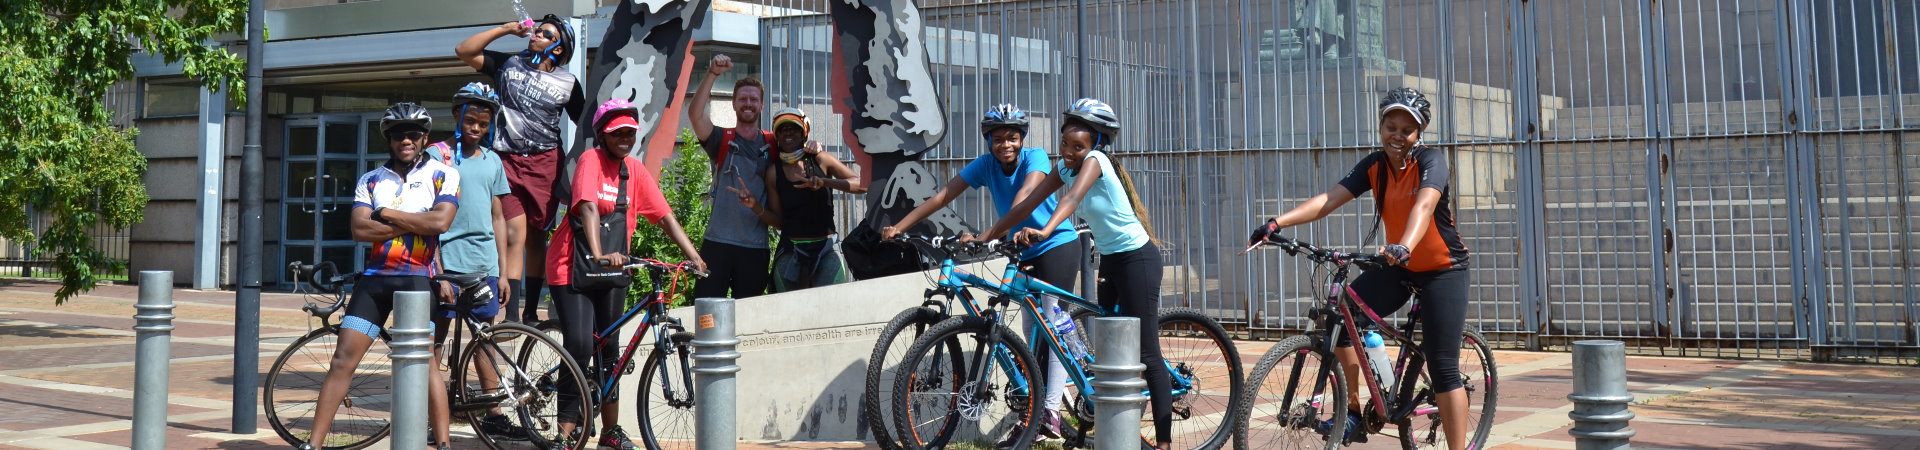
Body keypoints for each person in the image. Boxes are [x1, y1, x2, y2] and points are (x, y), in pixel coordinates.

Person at [1247, 87, 1472, 449]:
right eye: (1391, 127)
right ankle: (1352, 412)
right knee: (1342, 316)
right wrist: (1277, 223)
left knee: (1443, 367)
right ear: (1381, 126)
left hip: (1443, 269)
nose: (1397, 135)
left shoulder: (1431, 161)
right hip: (1399, 265)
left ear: (1420, 133)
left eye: (1407, 130)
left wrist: (1404, 245)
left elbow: (1424, 206)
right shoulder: (1374, 166)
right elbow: (1329, 199)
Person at [881, 104, 1086, 443]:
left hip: (1055, 245)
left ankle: (1049, 413)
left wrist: (987, 235)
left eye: (1012, 138)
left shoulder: (1035, 157)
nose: (1006, 145)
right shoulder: (986, 165)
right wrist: (900, 226)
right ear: (988, 141)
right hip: (1021, 248)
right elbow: (943, 195)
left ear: (1022, 139)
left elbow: (1025, 198)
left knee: (1051, 322)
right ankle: (1036, 407)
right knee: (1030, 329)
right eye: (998, 139)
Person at [976, 98, 1171, 449]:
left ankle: (1166, 442)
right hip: (1110, 261)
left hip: (1137, 260)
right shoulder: (1065, 168)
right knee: (1111, 351)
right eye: (1064, 143)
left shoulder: (1096, 161)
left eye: (1077, 146)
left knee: (1145, 352)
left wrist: (1046, 230)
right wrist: (987, 235)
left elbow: (1071, 200)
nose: (1068, 152)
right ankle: (1116, 430)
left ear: (1095, 145)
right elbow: (1027, 203)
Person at [547, 99, 709, 449]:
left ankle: (610, 432)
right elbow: (588, 208)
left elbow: (665, 217)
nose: (625, 139)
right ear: (602, 136)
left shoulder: (634, 170)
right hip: (572, 265)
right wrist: (599, 254)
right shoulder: (590, 161)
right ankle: (564, 432)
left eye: (630, 133)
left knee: (611, 352)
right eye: (617, 133)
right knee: (580, 345)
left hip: (613, 268)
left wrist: (695, 257)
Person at [304, 103, 460, 450]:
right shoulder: (370, 179)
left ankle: (444, 445)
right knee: (342, 360)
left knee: (427, 366)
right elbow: (360, 230)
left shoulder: (443, 174)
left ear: (425, 138)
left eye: (413, 134)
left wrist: (386, 213)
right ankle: (313, 445)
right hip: (375, 282)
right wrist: (415, 221)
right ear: (388, 139)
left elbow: (440, 223)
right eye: (398, 134)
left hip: (418, 280)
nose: (406, 140)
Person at [455, 13, 588, 325]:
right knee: (515, 231)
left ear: (558, 48)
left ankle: (530, 313)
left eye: (545, 34)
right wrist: (504, 29)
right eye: (537, 30)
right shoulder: (509, 64)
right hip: (507, 160)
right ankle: (512, 313)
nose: (536, 34)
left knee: (537, 237)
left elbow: (586, 124)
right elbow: (464, 51)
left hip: (546, 162)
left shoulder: (568, 83)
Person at [423, 82, 529, 440]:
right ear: (457, 115)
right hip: (447, 265)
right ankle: (430, 415)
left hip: (484, 265)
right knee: (434, 342)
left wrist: (503, 272)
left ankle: (494, 414)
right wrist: (437, 270)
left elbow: (498, 217)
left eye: (483, 124)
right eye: (470, 121)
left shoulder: (492, 160)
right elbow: (427, 213)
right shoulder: (437, 156)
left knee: (485, 339)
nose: (476, 128)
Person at [688, 54, 775, 299]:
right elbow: (695, 115)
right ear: (734, 104)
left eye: (754, 99)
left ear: (762, 105)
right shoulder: (721, 139)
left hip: (755, 247)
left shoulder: (773, 144)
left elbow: (799, 151)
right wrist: (712, 74)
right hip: (717, 243)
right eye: (743, 99)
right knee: (707, 312)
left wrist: (814, 147)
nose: (748, 103)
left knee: (748, 314)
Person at [748, 108, 864, 292]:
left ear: (804, 133)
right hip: (791, 250)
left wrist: (825, 182)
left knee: (832, 304)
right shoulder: (773, 173)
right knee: (787, 306)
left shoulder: (821, 159)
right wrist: (756, 207)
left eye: (794, 128)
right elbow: (780, 222)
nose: (788, 133)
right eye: (782, 129)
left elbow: (861, 185)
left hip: (826, 249)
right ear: (776, 136)